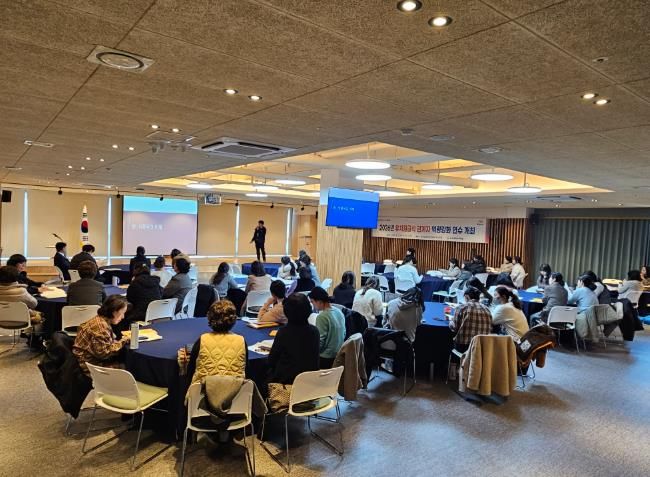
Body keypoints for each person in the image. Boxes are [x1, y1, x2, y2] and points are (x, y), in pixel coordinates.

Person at [184, 300, 246, 385]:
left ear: (209, 318)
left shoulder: (203, 339)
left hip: (203, 390)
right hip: (235, 391)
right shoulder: (241, 340)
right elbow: (246, 369)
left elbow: (191, 369)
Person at [267, 293, 320, 385]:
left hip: (287, 384)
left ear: (286, 311)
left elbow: (271, 361)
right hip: (310, 384)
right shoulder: (315, 331)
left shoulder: (283, 332)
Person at [72, 295, 130, 374]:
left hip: (85, 359)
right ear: (114, 311)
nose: (123, 317)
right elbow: (104, 354)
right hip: (88, 366)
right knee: (128, 367)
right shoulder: (101, 328)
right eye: (122, 313)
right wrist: (123, 341)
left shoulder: (100, 319)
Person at [308, 287, 345, 369]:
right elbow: (344, 333)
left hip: (326, 358)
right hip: (339, 354)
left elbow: (320, 343)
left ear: (319, 301)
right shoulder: (338, 311)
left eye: (312, 302)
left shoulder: (322, 317)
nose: (312, 305)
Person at [449, 286, 492, 353]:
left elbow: (455, 328)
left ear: (467, 297)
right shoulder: (487, 309)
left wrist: (451, 321)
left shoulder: (462, 307)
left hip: (464, 346)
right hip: (482, 347)